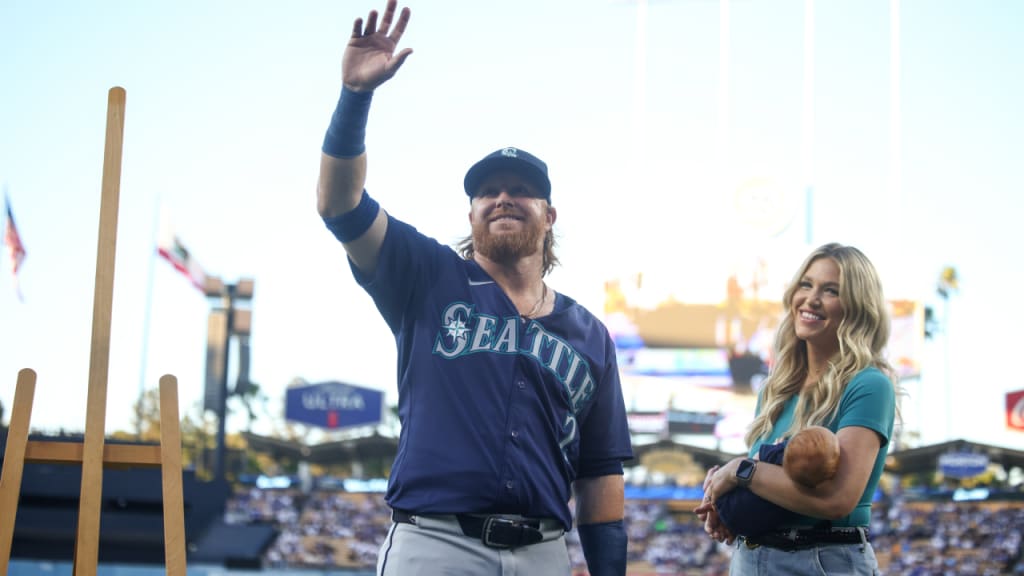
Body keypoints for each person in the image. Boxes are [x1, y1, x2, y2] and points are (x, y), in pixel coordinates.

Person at [315, 2, 634, 575]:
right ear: (471, 213)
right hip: (436, 545)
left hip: (543, 551)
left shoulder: (590, 334)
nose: (503, 198)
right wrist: (355, 97)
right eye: (487, 191)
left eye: (520, 189)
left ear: (550, 214)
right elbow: (340, 206)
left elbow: (600, 475)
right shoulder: (426, 275)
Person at [694, 243, 899, 575]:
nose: (812, 299)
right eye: (806, 284)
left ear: (857, 308)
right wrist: (726, 505)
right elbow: (770, 484)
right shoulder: (775, 389)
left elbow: (837, 499)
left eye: (831, 290)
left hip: (823, 560)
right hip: (751, 559)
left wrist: (738, 472)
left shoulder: (869, 385)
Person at [710, 426, 840, 539]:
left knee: (718, 481)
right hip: (748, 527)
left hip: (728, 506)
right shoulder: (804, 493)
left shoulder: (777, 452)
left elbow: (752, 462)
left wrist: (776, 447)